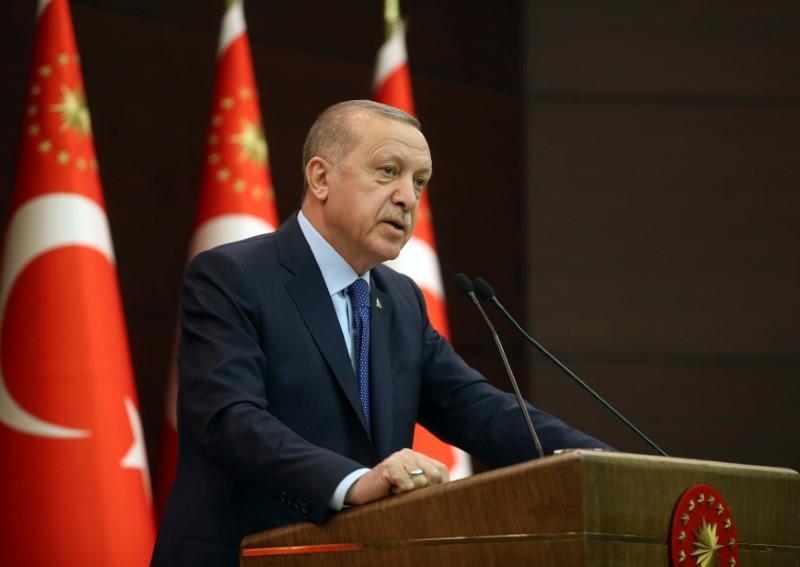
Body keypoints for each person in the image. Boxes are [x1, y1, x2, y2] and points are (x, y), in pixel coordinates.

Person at [150, 100, 611, 567]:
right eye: (388, 171)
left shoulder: (400, 301)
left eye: (419, 182)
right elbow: (229, 420)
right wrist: (351, 481)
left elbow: (483, 412)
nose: (408, 198)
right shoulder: (233, 276)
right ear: (321, 178)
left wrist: (601, 465)